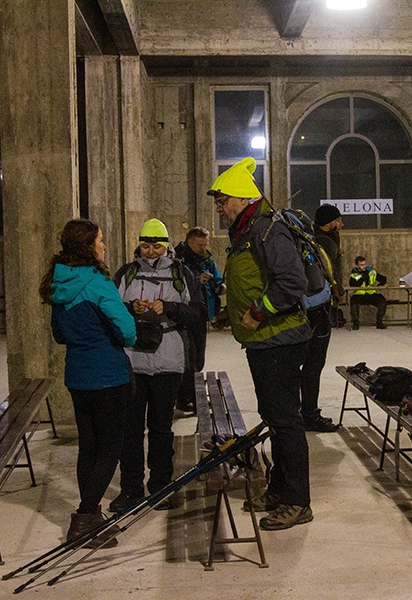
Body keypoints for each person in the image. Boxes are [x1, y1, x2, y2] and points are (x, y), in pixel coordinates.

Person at [209, 156, 314, 531]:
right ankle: (280, 490)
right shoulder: (249, 230)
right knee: (275, 418)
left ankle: (298, 501)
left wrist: (256, 312)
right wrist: (232, 311)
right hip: (264, 340)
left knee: (286, 422)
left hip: (279, 339)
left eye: (222, 201)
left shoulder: (267, 230)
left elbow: (290, 282)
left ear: (239, 198)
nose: (219, 209)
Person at [39, 218, 136, 548]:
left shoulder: (59, 282)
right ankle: (83, 520)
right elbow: (126, 329)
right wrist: (122, 335)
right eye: (100, 240)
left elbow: (59, 333)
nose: (104, 245)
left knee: (89, 445)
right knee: (110, 447)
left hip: (78, 376)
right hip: (107, 374)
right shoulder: (96, 281)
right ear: (88, 245)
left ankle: (92, 515)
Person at [109, 219, 206, 513]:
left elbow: (199, 313)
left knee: (161, 427)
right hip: (134, 361)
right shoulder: (127, 273)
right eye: (146, 245)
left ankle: (161, 485)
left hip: (167, 360)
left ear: (167, 245)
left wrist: (170, 308)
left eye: (157, 245)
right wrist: (130, 309)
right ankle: (131, 489)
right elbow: (110, 310)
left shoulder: (181, 273)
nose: (151, 252)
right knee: (131, 429)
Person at [296, 204, 344, 433]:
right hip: (319, 308)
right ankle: (309, 414)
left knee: (305, 362)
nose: (341, 225)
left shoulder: (313, 238)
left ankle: (301, 410)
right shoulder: (325, 242)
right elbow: (332, 271)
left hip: (307, 308)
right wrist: (337, 293)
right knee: (314, 364)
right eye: (338, 220)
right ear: (330, 221)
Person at [173, 227, 225, 413]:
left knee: (198, 358)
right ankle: (186, 397)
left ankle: (190, 395)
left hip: (202, 313)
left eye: (206, 244)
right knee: (189, 359)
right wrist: (197, 279)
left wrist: (220, 285)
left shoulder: (205, 258)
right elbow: (178, 283)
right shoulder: (179, 259)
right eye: (200, 245)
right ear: (189, 241)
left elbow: (217, 276)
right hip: (186, 314)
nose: (204, 248)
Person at [348, 256, 387, 329]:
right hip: (359, 295)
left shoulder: (371, 272)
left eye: (365, 264)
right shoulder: (354, 274)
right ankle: (356, 323)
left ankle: (379, 322)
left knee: (382, 300)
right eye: (362, 265)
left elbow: (383, 279)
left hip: (370, 294)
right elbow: (353, 284)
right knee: (353, 302)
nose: (364, 266)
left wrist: (380, 285)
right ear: (357, 266)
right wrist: (363, 277)